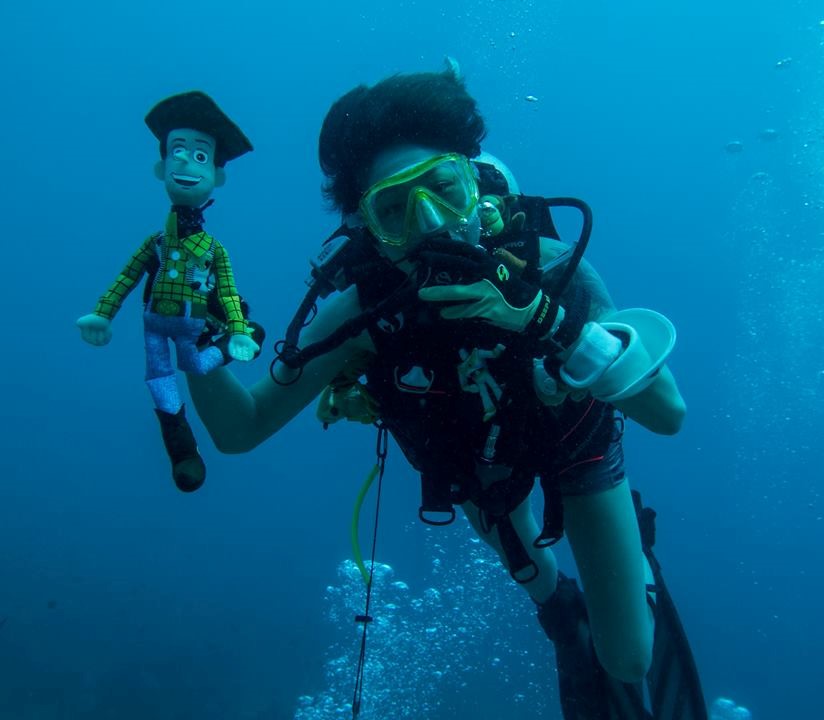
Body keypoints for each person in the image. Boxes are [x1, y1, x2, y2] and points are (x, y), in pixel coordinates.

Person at [187, 68, 704, 719]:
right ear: (368, 228)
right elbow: (242, 428)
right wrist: (190, 345)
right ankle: (561, 607)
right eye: (395, 210)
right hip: (471, 467)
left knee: (626, 657)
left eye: (443, 190)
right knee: (543, 591)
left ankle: (637, 558)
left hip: (574, 445)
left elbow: (668, 412)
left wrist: (541, 318)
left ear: (473, 185)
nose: (430, 225)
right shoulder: (364, 308)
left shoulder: (547, 266)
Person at [77, 91, 262, 492]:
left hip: (194, 322)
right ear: (161, 167)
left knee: (195, 367)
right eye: (178, 151)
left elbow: (229, 292)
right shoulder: (157, 243)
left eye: (200, 156)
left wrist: (239, 328)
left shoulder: (213, 249)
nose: (184, 161)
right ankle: (182, 453)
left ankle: (236, 341)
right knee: (159, 381)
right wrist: (102, 313)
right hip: (154, 324)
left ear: (217, 173)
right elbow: (125, 279)